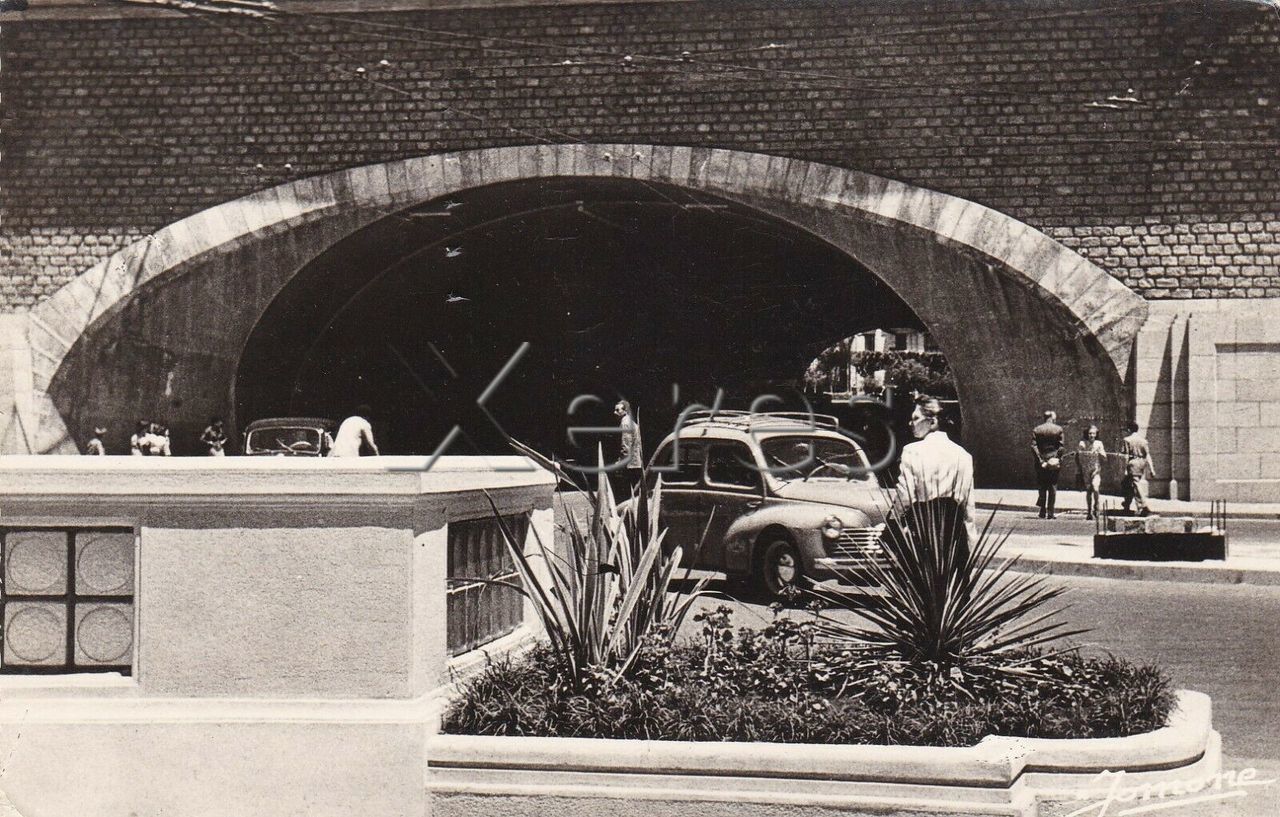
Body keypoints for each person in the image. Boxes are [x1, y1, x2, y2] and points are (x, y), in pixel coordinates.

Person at [893, 395, 978, 561]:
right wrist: (970, 542)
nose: (911, 424)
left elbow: (905, 495)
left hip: (922, 529)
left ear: (932, 422)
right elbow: (968, 505)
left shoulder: (912, 451)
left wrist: (893, 520)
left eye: (916, 418)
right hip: (953, 531)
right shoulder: (963, 455)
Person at [1031, 410, 1065, 519]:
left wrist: (1041, 461)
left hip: (1041, 461)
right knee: (1052, 486)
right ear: (1051, 418)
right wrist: (1056, 459)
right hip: (1053, 462)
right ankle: (1050, 512)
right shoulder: (1058, 429)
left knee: (1042, 485)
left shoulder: (1037, 429)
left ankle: (1042, 510)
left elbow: (1034, 446)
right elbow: (1061, 447)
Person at [610, 399, 643, 500]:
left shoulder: (625, 423)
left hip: (629, 465)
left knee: (625, 494)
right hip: (635, 463)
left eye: (618, 410)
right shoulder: (631, 422)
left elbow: (626, 446)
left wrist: (620, 464)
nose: (614, 412)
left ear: (625, 411)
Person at [1120, 420, 1155, 516]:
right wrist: (1151, 469)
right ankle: (1127, 504)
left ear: (1129, 429)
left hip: (1132, 463)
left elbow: (1126, 456)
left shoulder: (1127, 440)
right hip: (1141, 463)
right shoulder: (1143, 441)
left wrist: (1125, 469)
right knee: (1128, 484)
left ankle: (1144, 506)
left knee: (1135, 484)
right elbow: (1147, 455)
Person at [1074, 423, 1106, 521]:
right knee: (1088, 490)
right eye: (1090, 433)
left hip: (1096, 470)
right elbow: (1077, 457)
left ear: (1096, 434)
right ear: (1087, 434)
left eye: (1093, 433)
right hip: (1085, 470)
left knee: (1095, 488)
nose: (1092, 435)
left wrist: (1101, 454)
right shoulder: (1082, 444)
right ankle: (1089, 512)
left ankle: (1096, 507)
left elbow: (1104, 458)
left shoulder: (1099, 444)